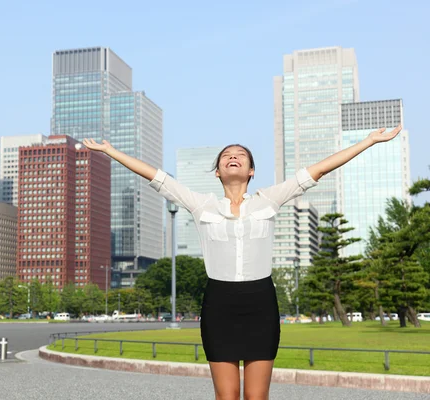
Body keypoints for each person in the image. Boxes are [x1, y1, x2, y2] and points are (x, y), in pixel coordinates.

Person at [82, 124, 402, 400]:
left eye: (240, 155)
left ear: (250, 171)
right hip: (219, 303)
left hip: (260, 302)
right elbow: (158, 177)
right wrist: (111, 150)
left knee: (256, 395)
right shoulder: (200, 205)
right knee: (226, 395)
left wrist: (368, 141)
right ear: (218, 171)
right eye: (226, 156)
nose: (233, 156)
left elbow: (318, 169)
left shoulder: (269, 200)